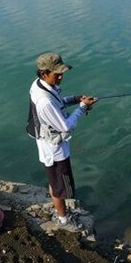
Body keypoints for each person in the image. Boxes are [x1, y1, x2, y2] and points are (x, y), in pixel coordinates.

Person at [27, 52, 97, 232]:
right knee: (61, 188)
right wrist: (82, 107)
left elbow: (57, 104)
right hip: (55, 151)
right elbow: (66, 127)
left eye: (61, 72)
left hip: (47, 145)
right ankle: (64, 220)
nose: (61, 76)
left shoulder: (40, 86)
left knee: (55, 183)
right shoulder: (44, 101)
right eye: (56, 74)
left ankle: (61, 213)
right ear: (44, 73)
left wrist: (74, 99)